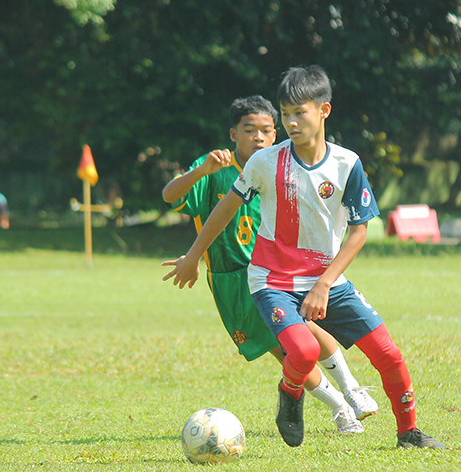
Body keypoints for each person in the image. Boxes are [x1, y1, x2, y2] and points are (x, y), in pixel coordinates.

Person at [164, 67, 444, 449]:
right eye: (286, 113)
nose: (291, 122)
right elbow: (225, 208)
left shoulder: (347, 164)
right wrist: (193, 256)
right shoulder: (264, 163)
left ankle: (409, 433)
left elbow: (359, 232)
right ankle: (290, 393)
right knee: (304, 349)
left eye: (300, 112)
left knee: (389, 355)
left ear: (324, 110)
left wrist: (325, 284)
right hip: (271, 280)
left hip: (325, 279)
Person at [161, 95, 378, 435]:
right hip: (231, 278)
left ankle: (348, 399)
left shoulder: (281, 164)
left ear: (274, 134)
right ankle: (344, 403)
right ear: (233, 134)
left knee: (300, 337)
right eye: (249, 130)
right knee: (285, 347)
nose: (258, 138)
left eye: (265, 130)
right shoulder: (215, 166)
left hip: (275, 274)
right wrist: (202, 172)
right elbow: (170, 195)